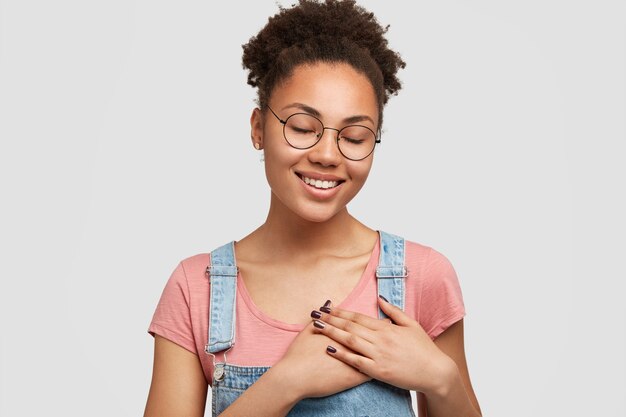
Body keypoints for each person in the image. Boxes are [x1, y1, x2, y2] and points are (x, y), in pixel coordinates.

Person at [143, 1, 482, 416]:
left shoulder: (422, 276)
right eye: (302, 128)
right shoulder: (198, 287)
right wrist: (288, 380)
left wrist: (441, 378)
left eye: (355, 137)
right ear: (257, 129)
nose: (326, 154)